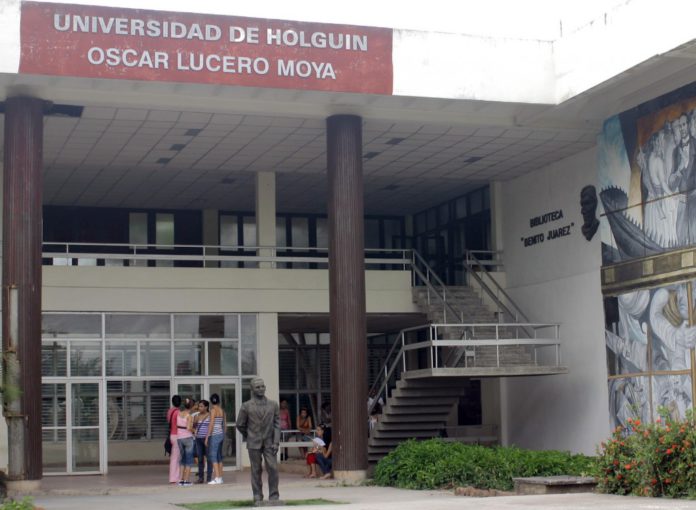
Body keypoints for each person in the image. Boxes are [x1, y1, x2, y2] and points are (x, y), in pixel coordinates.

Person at [236, 377, 281, 503]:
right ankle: (257, 495)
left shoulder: (273, 405)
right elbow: (240, 424)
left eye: (262, 386)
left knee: (273, 468)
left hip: (270, 443)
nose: (261, 389)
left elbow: (277, 424)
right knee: (256, 470)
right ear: (252, 389)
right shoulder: (246, 406)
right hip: (253, 443)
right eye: (257, 387)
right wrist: (250, 435)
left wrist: (276, 442)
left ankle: (274, 495)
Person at [206, 393, 226, 485]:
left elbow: (211, 424)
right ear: (219, 401)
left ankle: (217, 478)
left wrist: (207, 437)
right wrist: (223, 434)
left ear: (211, 401)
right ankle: (220, 478)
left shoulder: (213, 410)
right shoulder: (222, 411)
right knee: (219, 457)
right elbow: (224, 425)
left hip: (214, 435)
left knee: (213, 456)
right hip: (221, 434)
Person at [176, 397, 195, 486]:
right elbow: (188, 428)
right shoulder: (189, 416)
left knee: (182, 459)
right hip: (188, 438)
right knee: (189, 460)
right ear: (191, 406)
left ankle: (181, 480)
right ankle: (186, 480)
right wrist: (195, 431)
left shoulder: (179, 414)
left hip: (179, 438)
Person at [194, 399, 212, 483]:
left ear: (206, 407)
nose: (199, 408)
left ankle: (208, 478)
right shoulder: (197, 416)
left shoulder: (210, 415)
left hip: (207, 439)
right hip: (198, 439)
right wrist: (195, 421)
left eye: (201, 406)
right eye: (199, 406)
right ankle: (201, 478)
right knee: (200, 458)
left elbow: (211, 427)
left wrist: (208, 438)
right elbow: (193, 427)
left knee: (209, 458)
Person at [166, 395, 181, 484]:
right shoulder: (178, 412)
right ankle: (174, 478)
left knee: (174, 457)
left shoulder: (170, 411)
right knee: (176, 458)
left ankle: (174, 477)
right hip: (177, 435)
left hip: (172, 435)